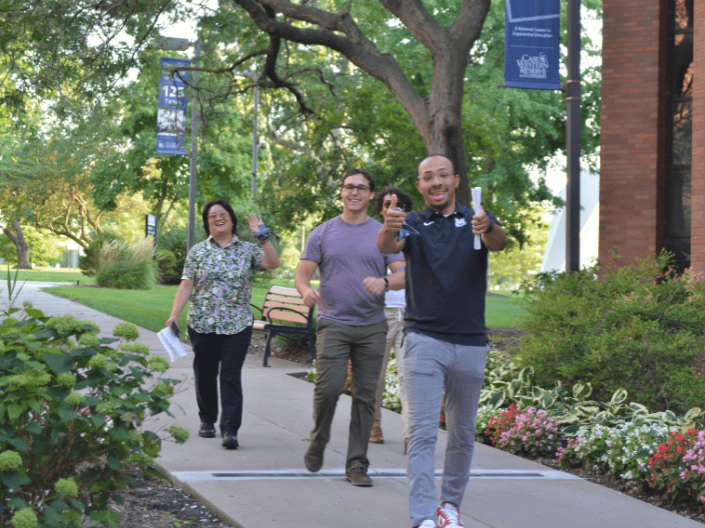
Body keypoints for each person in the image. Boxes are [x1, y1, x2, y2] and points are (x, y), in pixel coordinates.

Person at [378, 155, 507, 528]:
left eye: (442, 175)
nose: (436, 182)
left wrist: (489, 227)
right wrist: (388, 226)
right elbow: (388, 242)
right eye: (427, 177)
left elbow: (499, 243)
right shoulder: (413, 223)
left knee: (462, 434)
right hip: (423, 340)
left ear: (456, 180)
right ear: (419, 186)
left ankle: (449, 507)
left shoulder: (477, 219)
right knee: (420, 434)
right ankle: (422, 517)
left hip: (470, 343)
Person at [295, 168, 405, 487]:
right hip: (334, 322)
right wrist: (305, 291)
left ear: (372, 195)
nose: (354, 192)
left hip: (372, 325)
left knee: (365, 397)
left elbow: (403, 273)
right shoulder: (323, 232)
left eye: (361, 188)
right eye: (348, 187)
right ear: (341, 192)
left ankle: (357, 463)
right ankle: (319, 439)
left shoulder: (382, 233)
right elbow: (302, 273)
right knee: (328, 388)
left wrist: (384, 281)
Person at [166, 199, 280, 450]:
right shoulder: (197, 251)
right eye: (212, 215)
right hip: (202, 323)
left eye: (223, 213)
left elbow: (273, 263)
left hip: (237, 325)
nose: (218, 217)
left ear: (231, 219)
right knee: (204, 373)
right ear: (208, 224)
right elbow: (187, 284)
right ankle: (207, 420)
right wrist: (174, 314)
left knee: (230, 375)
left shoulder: (247, 250)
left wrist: (263, 237)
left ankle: (230, 429)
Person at [370, 186, 413, 448]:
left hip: (410, 316)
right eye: (387, 204)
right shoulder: (373, 236)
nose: (392, 209)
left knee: (411, 377)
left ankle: (411, 432)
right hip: (380, 315)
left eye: (399, 205)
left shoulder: (415, 235)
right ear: (380, 210)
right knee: (375, 375)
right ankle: (373, 423)